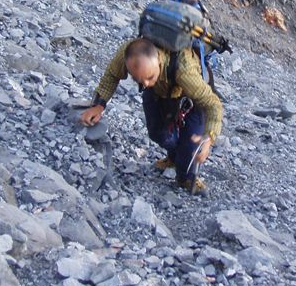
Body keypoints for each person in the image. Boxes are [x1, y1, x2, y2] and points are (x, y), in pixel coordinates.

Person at [80, 37, 222, 195]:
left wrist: (209, 137)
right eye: (138, 79)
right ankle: (174, 158)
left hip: (195, 98)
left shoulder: (185, 70)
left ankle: (185, 178)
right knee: (158, 133)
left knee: (190, 146)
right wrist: (99, 105)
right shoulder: (129, 53)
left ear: (159, 62)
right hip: (159, 91)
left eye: (149, 77)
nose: (145, 84)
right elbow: (112, 74)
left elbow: (213, 104)